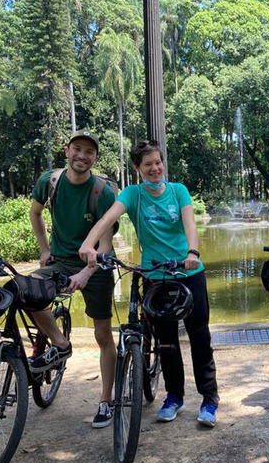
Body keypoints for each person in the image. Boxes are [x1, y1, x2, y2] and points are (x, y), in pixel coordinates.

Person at [79, 140, 219, 427]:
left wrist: (193, 252)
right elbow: (107, 218)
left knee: (199, 336)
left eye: (158, 162)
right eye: (147, 165)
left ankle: (209, 399)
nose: (154, 168)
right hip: (155, 276)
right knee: (166, 341)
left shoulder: (178, 191)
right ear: (138, 169)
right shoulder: (133, 195)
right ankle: (174, 397)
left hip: (188, 272)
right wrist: (88, 244)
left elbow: (190, 225)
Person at [28, 130, 118, 428]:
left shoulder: (103, 192)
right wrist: (43, 250)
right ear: (67, 151)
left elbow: (104, 246)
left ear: (95, 158)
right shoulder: (50, 182)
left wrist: (85, 273)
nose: (82, 156)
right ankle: (60, 343)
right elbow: (36, 213)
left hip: (96, 267)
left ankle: (106, 400)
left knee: (103, 335)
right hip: (60, 261)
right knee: (25, 290)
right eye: (77, 149)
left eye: (89, 152)